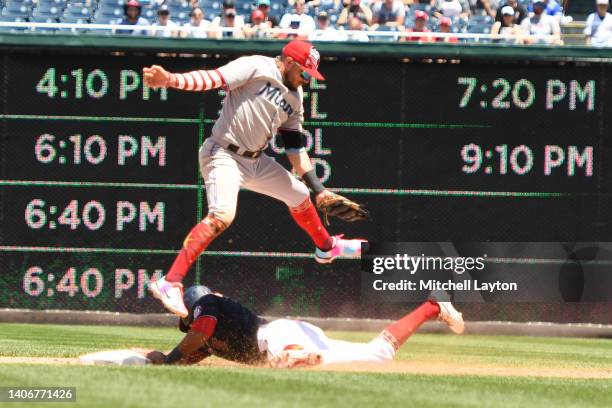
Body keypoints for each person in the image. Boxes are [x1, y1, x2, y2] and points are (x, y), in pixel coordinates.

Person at [143, 41, 367, 317]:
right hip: (223, 153)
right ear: (290, 62)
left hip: (255, 161)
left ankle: (327, 247)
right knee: (223, 216)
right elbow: (212, 78)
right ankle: (169, 282)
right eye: (305, 73)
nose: (307, 79)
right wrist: (171, 80)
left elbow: (295, 148)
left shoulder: (295, 99)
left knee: (299, 194)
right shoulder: (255, 66)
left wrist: (319, 189)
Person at [144, 285, 465, 367]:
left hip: (277, 335)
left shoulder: (206, 302)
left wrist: (171, 357)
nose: (187, 328)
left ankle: (294, 355)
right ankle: (433, 305)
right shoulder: (206, 342)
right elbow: (191, 352)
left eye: (185, 322)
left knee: (280, 355)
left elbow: (200, 332)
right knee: (379, 355)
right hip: (292, 336)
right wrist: (156, 359)